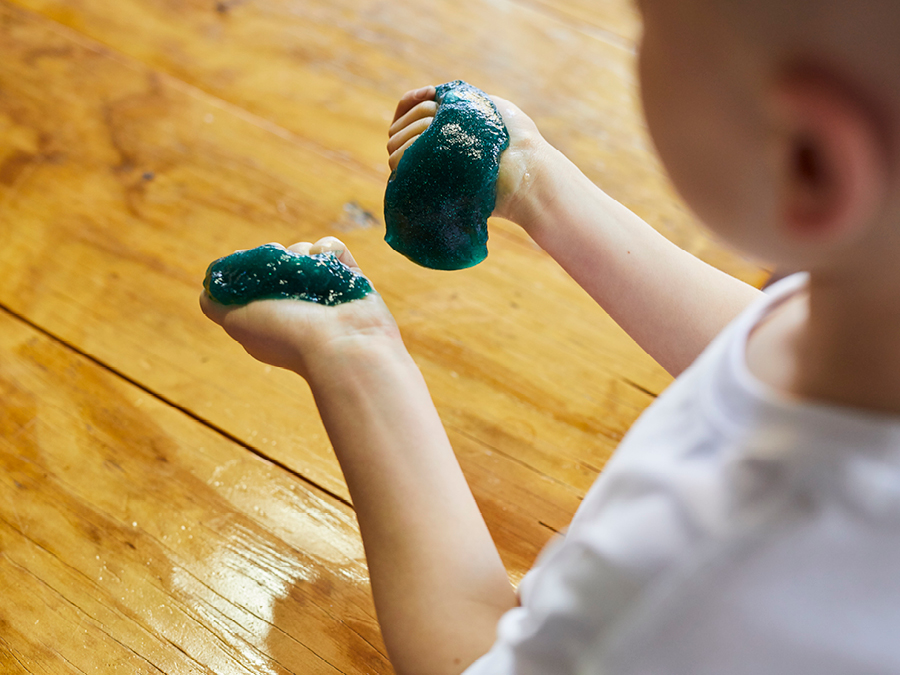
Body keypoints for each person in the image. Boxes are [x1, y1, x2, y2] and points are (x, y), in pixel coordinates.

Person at [201, 0, 900, 672]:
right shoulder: (870, 308)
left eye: (647, 18)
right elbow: (765, 337)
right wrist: (537, 182)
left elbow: (476, 660)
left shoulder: (705, 560)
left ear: (806, 160)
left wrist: (353, 354)